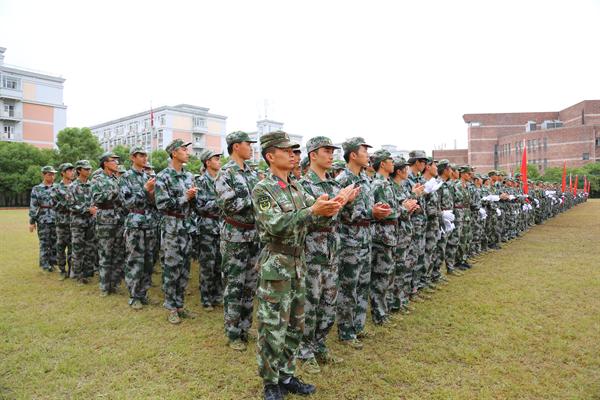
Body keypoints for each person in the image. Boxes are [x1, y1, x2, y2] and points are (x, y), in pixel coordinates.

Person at [252, 130, 350, 400]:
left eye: (293, 151)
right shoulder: (263, 189)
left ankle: (286, 374)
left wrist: (335, 204)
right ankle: (271, 382)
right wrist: (313, 211)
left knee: (296, 324)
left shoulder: (295, 187)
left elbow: (315, 218)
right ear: (271, 156)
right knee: (273, 326)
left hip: (298, 263)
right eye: (286, 151)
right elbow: (275, 224)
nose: (293, 155)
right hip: (277, 265)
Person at [297, 136, 357, 374]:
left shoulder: (333, 185)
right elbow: (303, 221)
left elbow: (343, 219)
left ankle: (320, 344)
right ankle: (305, 350)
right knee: (309, 303)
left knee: (329, 302)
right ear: (313, 155)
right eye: (326, 151)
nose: (331, 155)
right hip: (312, 252)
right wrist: (336, 204)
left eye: (333, 151)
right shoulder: (302, 186)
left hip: (332, 250)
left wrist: (346, 201)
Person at [336, 137, 391, 348]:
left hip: (366, 238)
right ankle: (345, 331)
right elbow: (341, 213)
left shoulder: (365, 180)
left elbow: (367, 209)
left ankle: (357, 326)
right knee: (348, 287)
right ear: (353, 155)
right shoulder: (343, 180)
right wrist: (372, 213)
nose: (368, 155)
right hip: (349, 240)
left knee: (362, 285)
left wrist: (377, 211)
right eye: (364, 151)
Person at [215, 131, 260, 350]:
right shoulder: (225, 173)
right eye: (247, 144)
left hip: (253, 235)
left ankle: (244, 327)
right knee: (234, 285)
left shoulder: (252, 173)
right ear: (236, 146)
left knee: (250, 285)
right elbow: (229, 205)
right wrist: (254, 199)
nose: (251, 147)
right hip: (234, 237)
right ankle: (233, 333)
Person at [155, 139, 197, 324]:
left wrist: (194, 198)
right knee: (172, 267)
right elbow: (162, 204)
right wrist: (185, 197)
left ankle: (180, 305)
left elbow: (193, 203)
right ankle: (171, 307)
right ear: (174, 153)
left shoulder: (189, 176)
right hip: (172, 226)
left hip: (186, 226)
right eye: (184, 149)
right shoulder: (163, 176)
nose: (187, 152)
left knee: (185, 267)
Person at [118, 146, 157, 310]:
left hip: (150, 223)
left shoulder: (148, 177)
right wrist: (144, 190)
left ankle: (143, 293)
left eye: (145, 155)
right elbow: (127, 203)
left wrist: (152, 194)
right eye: (140, 155)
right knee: (135, 260)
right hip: (135, 223)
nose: (144, 158)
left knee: (148, 261)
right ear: (132, 158)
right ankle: (134, 296)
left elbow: (154, 203)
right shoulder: (125, 178)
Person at [91, 152, 124, 296]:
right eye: (113, 160)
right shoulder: (97, 179)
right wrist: (113, 193)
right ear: (105, 163)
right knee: (105, 253)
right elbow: (97, 198)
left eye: (117, 161)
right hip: (105, 219)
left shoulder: (116, 179)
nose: (116, 163)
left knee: (117, 252)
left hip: (118, 218)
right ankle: (104, 286)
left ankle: (114, 284)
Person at [195, 149, 224, 311]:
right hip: (207, 227)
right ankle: (206, 298)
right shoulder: (200, 182)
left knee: (220, 263)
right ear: (207, 162)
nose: (219, 161)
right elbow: (200, 206)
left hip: (221, 226)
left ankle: (217, 295)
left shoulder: (222, 180)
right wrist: (220, 201)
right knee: (207, 264)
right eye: (216, 158)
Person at [69, 160, 97, 284]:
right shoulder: (73, 186)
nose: (88, 171)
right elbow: (71, 205)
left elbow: (96, 201)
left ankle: (87, 272)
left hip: (91, 221)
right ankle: (77, 274)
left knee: (90, 248)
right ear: (79, 170)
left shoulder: (92, 185)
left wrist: (95, 209)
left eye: (89, 169)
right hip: (78, 223)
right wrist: (87, 209)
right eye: (86, 169)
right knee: (78, 249)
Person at [29, 166, 58, 272]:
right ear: (44, 175)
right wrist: (32, 221)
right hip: (43, 219)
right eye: (50, 174)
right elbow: (33, 206)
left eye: (53, 174)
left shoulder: (57, 187)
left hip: (56, 218)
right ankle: (45, 265)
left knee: (55, 242)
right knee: (44, 242)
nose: (52, 176)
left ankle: (53, 263)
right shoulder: (37, 189)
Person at [51, 163, 75, 280]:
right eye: (69, 171)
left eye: (72, 170)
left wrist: (69, 202)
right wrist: (69, 202)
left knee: (72, 247)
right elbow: (55, 205)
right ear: (63, 173)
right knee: (60, 246)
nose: (72, 172)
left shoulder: (75, 186)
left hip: (74, 222)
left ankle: (71, 270)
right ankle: (62, 270)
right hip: (61, 222)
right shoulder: (56, 188)